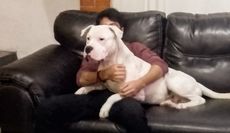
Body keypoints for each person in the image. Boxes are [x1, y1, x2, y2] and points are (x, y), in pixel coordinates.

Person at [34, 8, 168, 133]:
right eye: (103, 27)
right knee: (48, 107)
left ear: (120, 30)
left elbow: (160, 65)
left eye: (112, 26)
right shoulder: (94, 50)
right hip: (99, 94)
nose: (108, 29)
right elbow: (81, 79)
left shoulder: (135, 48)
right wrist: (104, 74)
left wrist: (140, 83)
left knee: (132, 112)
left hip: (125, 96)